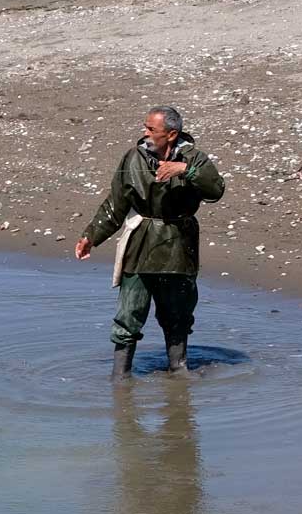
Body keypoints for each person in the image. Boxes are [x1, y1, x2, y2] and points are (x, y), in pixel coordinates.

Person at [74, 106, 225, 377]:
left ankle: (178, 370)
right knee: (129, 313)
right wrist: (91, 236)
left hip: (180, 245)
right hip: (140, 242)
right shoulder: (133, 158)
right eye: (145, 127)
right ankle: (120, 377)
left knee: (178, 314)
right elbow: (115, 203)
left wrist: (185, 170)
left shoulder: (194, 158)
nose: (145, 133)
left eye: (151, 129)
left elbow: (216, 189)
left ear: (172, 134)